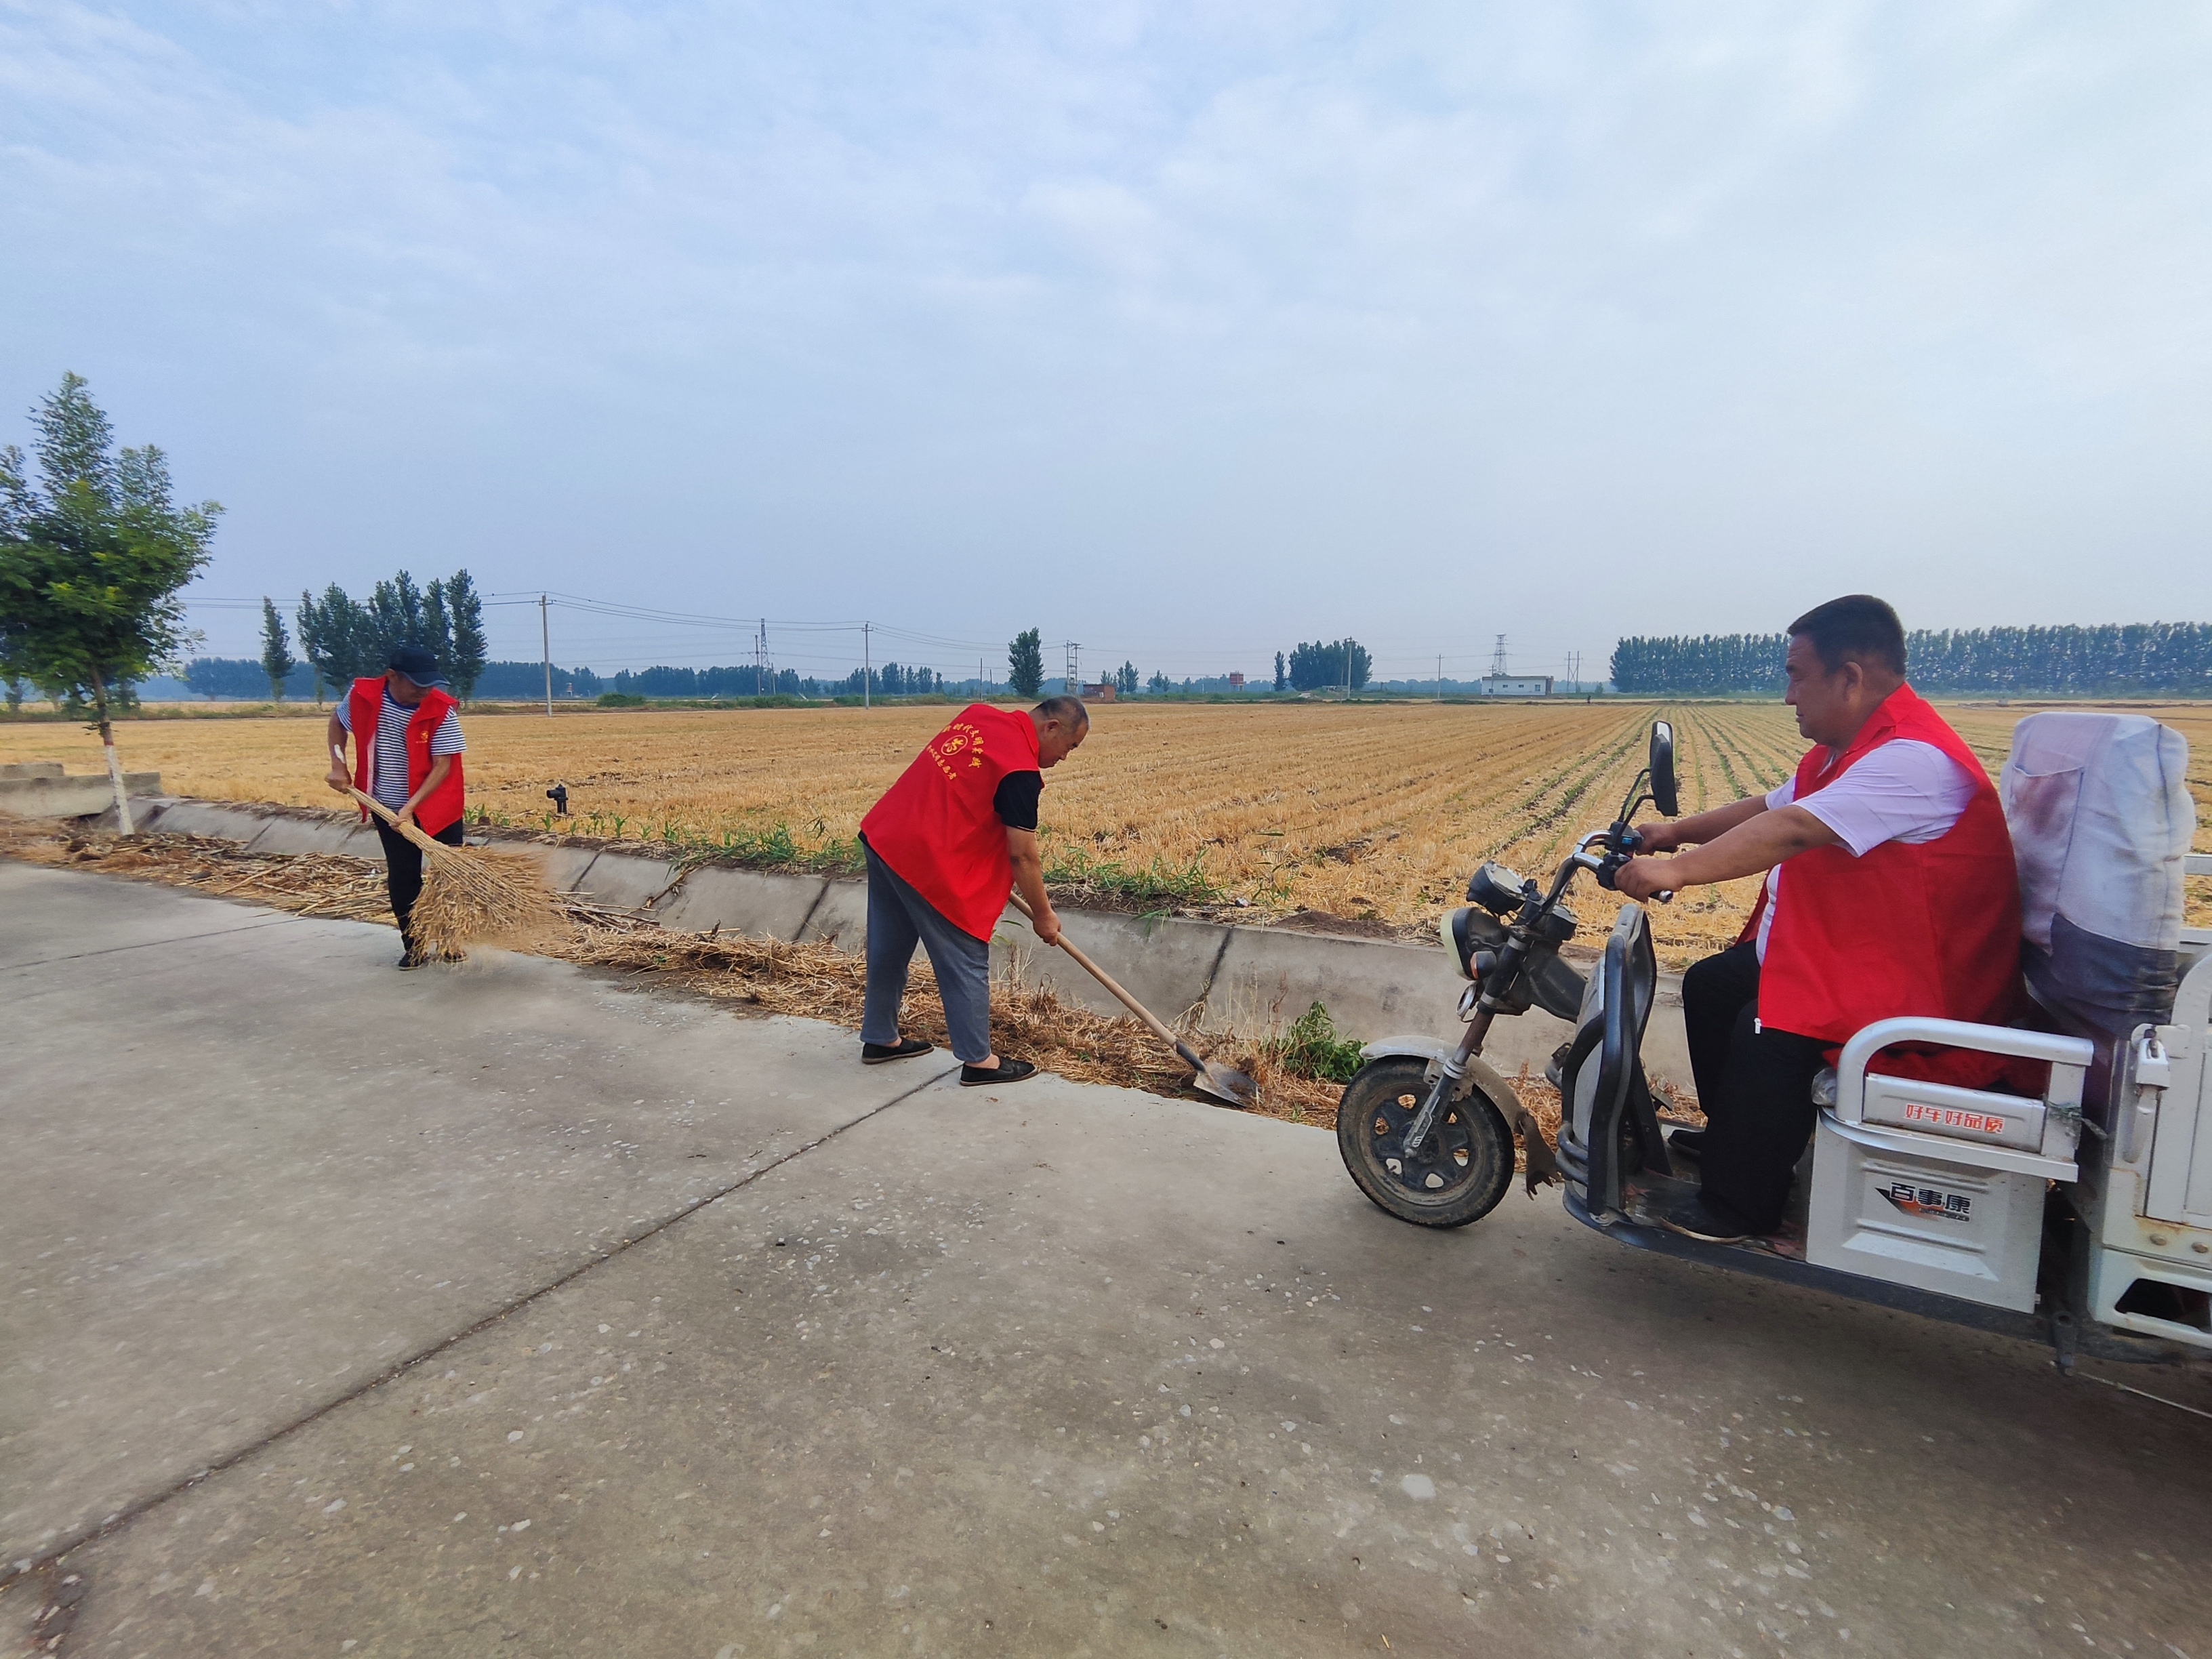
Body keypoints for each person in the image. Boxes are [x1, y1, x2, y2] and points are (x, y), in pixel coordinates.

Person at [1614, 596, 2022, 1243]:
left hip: (1931, 987)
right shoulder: (1848, 752)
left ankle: (1741, 1206)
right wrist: (1670, 833)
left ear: (1850, 677)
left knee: (1765, 1029)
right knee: (1714, 984)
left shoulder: (1913, 759)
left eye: (1797, 676)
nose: (1788, 696)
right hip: (1880, 959)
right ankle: (1738, 1142)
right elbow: (1769, 807)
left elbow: (1795, 828)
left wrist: (1677, 871)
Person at [855, 695, 1090, 1086]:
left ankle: (880, 1039)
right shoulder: (1019, 771)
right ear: (1051, 727)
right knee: (964, 954)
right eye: (1070, 745)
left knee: (888, 949)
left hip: (886, 837)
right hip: (927, 860)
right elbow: (1023, 856)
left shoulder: (978, 716)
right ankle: (979, 1062)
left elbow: (961, 787)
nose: (1065, 756)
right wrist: (1044, 915)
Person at [324, 643, 470, 969]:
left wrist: (412, 807)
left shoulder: (441, 708)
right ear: (392, 676)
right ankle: (414, 945)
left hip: (438, 805)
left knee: (450, 875)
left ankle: (451, 941)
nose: (425, 691)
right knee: (404, 875)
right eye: (417, 685)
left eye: (430, 684)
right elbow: (337, 722)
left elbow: (443, 765)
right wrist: (338, 764)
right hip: (386, 805)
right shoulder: (363, 696)